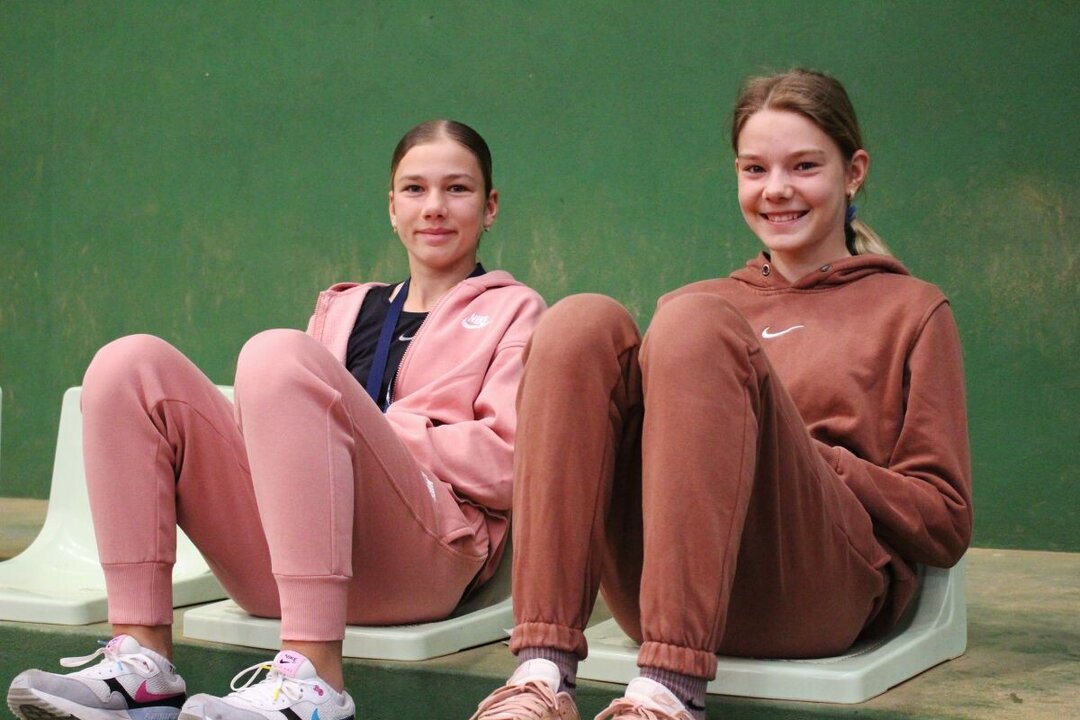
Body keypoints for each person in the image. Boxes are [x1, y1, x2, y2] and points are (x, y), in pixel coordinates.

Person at [469, 69, 972, 720]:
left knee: (698, 326)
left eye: (804, 166)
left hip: (810, 596)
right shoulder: (698, 302)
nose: (777, 189)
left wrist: (806, 456)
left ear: (854, 173)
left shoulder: (911, 310)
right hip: (662, 590)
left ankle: (669, 695)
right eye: (755, 169)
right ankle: (540, 675)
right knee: (578, 323)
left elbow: (944, 522)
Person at [7, 119, 546, 720]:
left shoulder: (515, 310)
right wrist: (327, 428)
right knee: (126, 366)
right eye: (415, 189)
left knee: (277, 353)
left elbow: (509, 465)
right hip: (283, 568)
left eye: (458, 189)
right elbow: (293, 440)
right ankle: (142, 662)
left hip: (420, 567)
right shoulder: (345, 307)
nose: (435, 207)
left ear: (490, 207)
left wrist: (370, 431)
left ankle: (316, 680)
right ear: (391, 207)